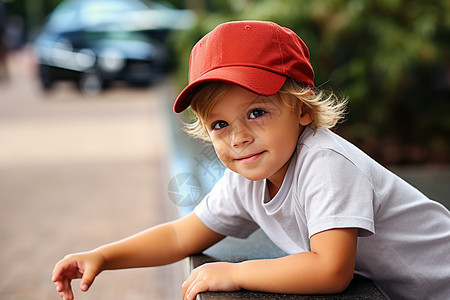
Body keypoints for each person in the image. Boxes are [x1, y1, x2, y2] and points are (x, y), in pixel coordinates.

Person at [52, 21, 450, 300]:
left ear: (303, 110)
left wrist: (237, 272)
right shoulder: (248, 175)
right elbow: (181, 236)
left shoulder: (326, 163)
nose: (239, 137)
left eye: (256, 112)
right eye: (220, 124)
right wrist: (103, 257)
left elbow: (330, 270)